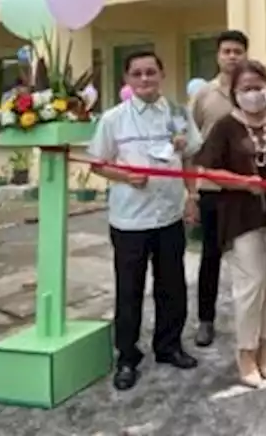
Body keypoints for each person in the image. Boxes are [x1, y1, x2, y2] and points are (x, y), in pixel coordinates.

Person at [88, 51, 202, 391]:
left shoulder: (179, 114)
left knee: (172, 286)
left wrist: (192, 196)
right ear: (127, 79)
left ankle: (168, 347)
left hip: (168, 216)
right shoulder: (113, 119)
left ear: (161, 74)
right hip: (129, 221)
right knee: (129, 291)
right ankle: (127, 357)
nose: (144, 79)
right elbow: (97, 163)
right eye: (136, 73)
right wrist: (124, 177)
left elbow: (190, 158)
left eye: (151, 72)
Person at [193, 59, 266, 388]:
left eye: (259, 86)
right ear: (234, 92)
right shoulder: (225, 126)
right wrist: (242, 182)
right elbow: (208, 169)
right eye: (246, 88)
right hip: (241, 217)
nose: (254, 93)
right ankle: (245, 352)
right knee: (250, 286)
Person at [188, 30, 250, 349]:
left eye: (238, 51)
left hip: (246, 189)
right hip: (212, 188)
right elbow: (191, 143)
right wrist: (192, 193)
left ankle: (249, 322)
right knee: (211, 257)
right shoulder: (203, 95)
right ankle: (206, 321)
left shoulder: (252, 91)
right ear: (218, 55)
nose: (232, 56)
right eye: (226, 51)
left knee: (248, 258)